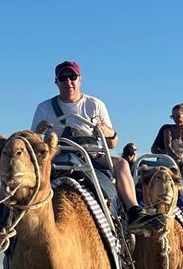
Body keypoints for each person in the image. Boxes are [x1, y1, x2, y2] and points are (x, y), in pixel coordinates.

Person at [31, 61, 164, 233]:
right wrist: (38, 132)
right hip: (58, 155)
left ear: (80, 80)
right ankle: (6, 214)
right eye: (63, 78)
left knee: (122, 164)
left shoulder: (95, 104)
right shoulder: (44, 108)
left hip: (92, 154)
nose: (68, 81)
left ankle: (134, 212)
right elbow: (33, 143)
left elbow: (112, 143)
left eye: (72, 77)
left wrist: (106, 131)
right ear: (56, 81)